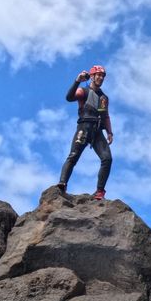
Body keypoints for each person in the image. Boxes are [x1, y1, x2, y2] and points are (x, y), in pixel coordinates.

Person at [58, 65, 113, 200]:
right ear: (92, 76)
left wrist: (110, 132)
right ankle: (62, 183)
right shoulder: (83, 91)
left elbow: (105, 116)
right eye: (98, 75)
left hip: (97, 131)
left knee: (107, 159)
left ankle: (99, 191)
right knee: (73, 156)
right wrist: (77, 81)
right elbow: (69, 97)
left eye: (102, 76)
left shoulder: (104, 98)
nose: (101, 78)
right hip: (84, 127)